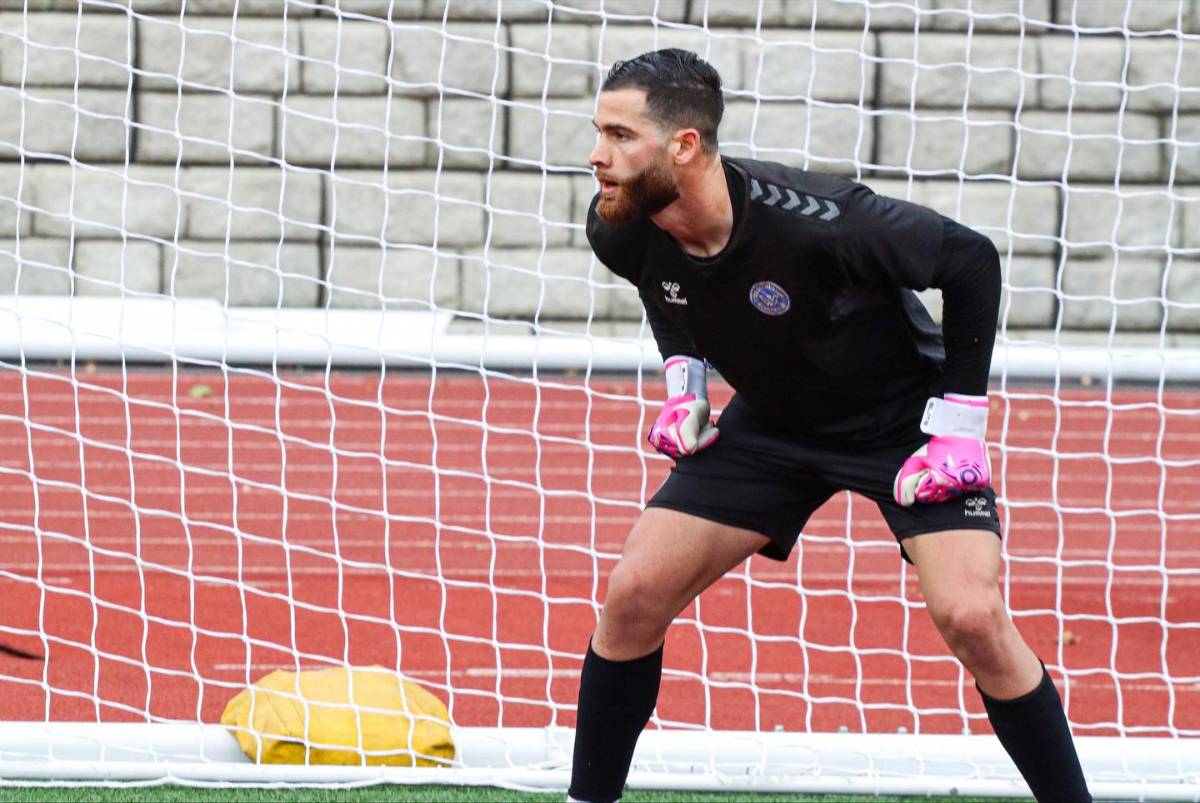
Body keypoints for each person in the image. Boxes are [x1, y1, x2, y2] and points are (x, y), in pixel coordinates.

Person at [568, 48, 1091, 803]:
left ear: (683, 146)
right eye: (598, 132)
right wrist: (685, 378)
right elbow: (665, 285)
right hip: (772, 423)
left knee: (973, 616)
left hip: (901, 426)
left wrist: (959, 426)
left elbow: (971, 261)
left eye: (620, 135)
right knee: (634, 591)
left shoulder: (822, 222)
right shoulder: (619, 225)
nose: (597, 154)